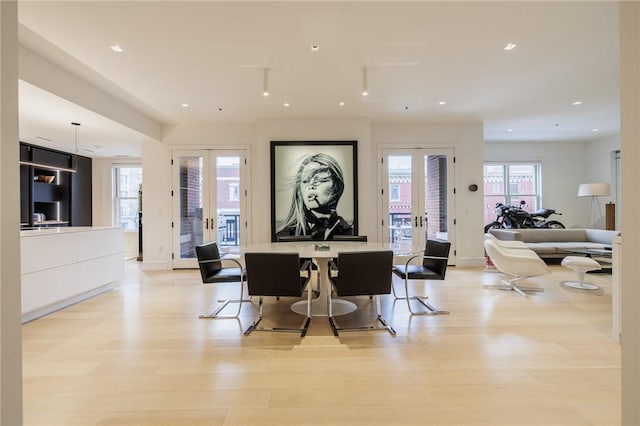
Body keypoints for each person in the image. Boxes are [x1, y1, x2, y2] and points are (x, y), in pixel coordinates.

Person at [276, 153, 354, 240]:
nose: (311, 185)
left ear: (336, 187)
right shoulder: (283, 236)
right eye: (305, 181)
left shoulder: (350, 234)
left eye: (320, 180)